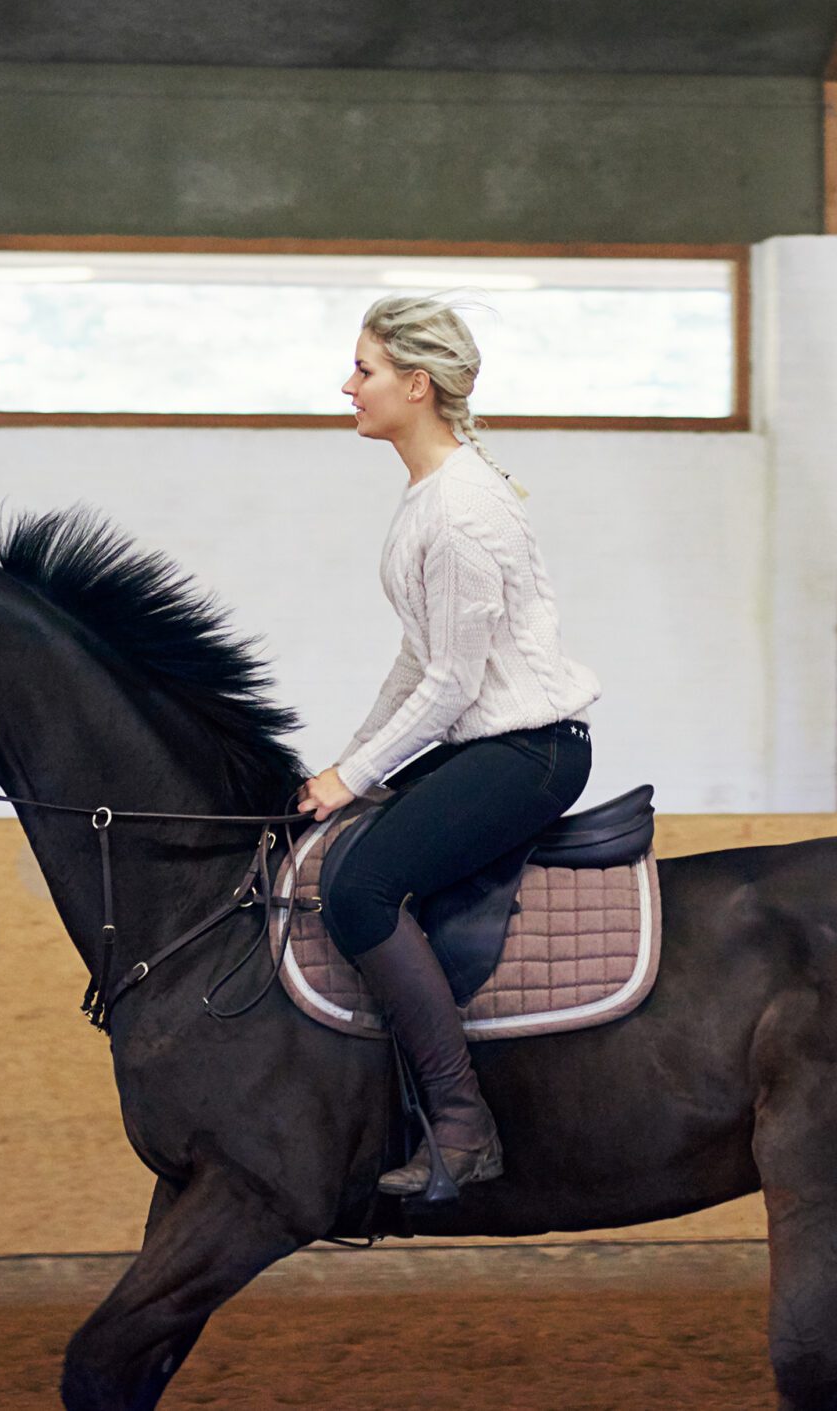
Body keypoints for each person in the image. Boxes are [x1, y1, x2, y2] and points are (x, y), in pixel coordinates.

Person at [296, 294, 600, 1198]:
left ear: (416, 385)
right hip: (484, 739)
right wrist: (340, 771)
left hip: (527, 749)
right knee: (346, 835)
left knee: (359, 885)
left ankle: (464, 1126)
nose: (348, 385)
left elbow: (455, 686)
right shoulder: (430, 496)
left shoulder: (462, 512)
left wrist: (352, 775)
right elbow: (417, 661)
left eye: (365, 370)